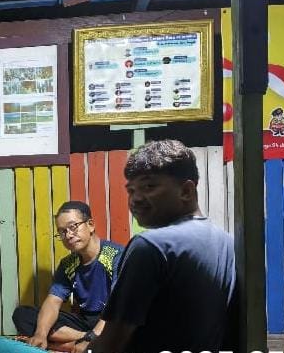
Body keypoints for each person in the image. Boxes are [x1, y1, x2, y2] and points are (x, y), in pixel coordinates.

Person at [83, 140, 237, 353]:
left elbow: (111, 345)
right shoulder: (228, 243)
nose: (135, 199)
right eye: (131, 190)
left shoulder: (151, 246)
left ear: (186, 191)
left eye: (149, 187)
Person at [12, 201, 124, 352]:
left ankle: (69, 344)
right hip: (85, 323)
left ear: (90, 225)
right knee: (23, 315)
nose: (68, 235)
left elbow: (120, 305)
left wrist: (91, 338)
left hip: (112, 319)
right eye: (62, 231)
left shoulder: (116, 256)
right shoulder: (68, 264)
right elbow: (53, 302)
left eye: (73, 227)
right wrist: (40, 334)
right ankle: (90, 342)